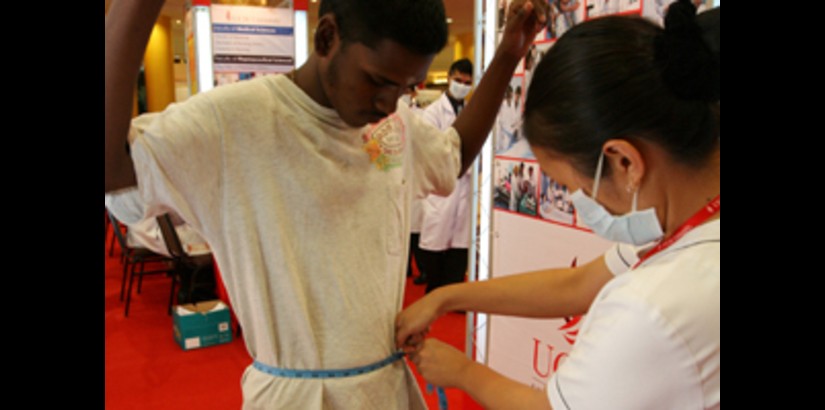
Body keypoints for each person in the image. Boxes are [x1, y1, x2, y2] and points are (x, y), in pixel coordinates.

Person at [105, 0, 547, 408]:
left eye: (407, 88)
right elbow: (114, 171)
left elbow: (452, 154)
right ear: (326, 38)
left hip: (386, 387)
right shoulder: (230, 121)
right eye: (377, 80)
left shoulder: (395, 125)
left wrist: (509, 53)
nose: (388, 102)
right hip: (293, 396)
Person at [397, 2, 720, 409]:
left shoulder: (655, 305)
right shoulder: (683, 230)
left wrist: (462, 371)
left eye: (573, 186)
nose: (578, 201)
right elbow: (577, 284)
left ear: (623, 162)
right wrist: (446, 298)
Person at [414, 58, 474, 292]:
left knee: (460, 241)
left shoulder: (470, 111)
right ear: (449, 78)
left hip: (465, 183)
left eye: (467, 82)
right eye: (458, 80)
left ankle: (453, 290)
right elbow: (432, 148)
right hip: (441, 184)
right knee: (435, 239)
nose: (462, 85)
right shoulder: (433, 113)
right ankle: (435, 287)